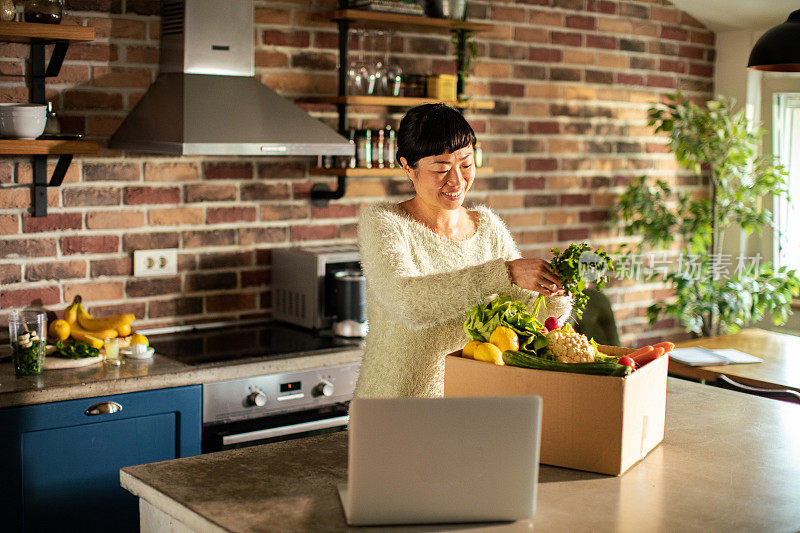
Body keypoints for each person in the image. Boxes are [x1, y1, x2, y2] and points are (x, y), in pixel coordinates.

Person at [354, 103, 572, 398]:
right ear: (408, 167)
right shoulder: (385, 223)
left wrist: (556, 293)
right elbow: (407, 302)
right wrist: (505, 272)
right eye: (441, 168)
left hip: (471, 406)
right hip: (396, 406)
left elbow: (532, 317)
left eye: (466, 164)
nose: (457, 181)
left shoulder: (488, 227)